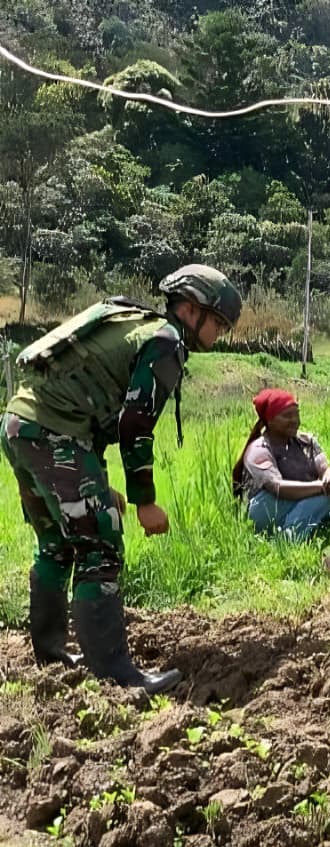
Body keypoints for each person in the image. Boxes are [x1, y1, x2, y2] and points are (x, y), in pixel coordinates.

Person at [2, 264, 241, 693]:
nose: (219, 335)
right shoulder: (165, 342)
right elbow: (134, 424)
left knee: (57, 544)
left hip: (21, 426)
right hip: (54, 434)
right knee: (101, 544)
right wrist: (144, 500)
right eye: (218, 324)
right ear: (191, 311)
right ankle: (114, 675)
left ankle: (52, 656)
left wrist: (97, 477)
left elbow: (89, 407)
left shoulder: (134, 321)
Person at [231, 388, 330, 541]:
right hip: (267, 508)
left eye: (296, 414)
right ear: (270, 420)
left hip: (296, 502)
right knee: (325, 498)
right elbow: (277, 487)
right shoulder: (259, 450)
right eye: (287, 416)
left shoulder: (307, 442)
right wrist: (322, 487)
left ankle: (301, 530)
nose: (295, 420)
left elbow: (324, 467)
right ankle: (287, 539)